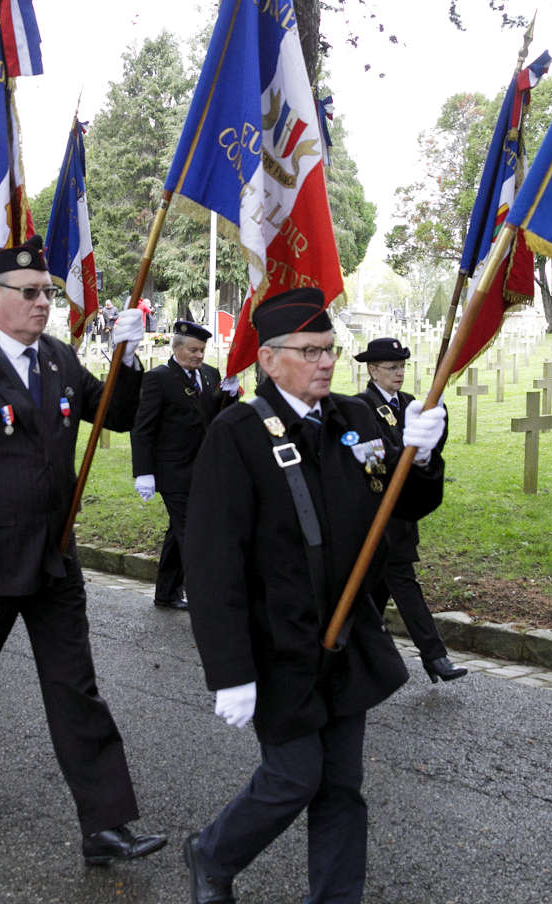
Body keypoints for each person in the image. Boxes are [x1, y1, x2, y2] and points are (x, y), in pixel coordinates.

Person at [181, 287, 448, 904]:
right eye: (309, 351)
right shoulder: (238, 435)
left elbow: (406, 504)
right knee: (293, 777)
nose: (325, 362)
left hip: (347, 634)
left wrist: (424, 455)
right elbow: (212, 563)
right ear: (269, 360)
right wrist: (229, 671)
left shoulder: (354, 420)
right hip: (278, 642)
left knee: (341, 786)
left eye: (330, 350)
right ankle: (212, 854)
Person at [0, 235, 163, 864]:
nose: (41, 304)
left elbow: (114, 415)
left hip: (55, 558)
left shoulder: (57, 358)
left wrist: (127, 358)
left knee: (75, 689)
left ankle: (104, 826)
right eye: (28, 293)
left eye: (47, 293)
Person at [353, 336, 466, 683]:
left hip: (402, 513)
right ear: (373, 370)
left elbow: (431, 449)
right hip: (376, 513)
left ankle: (354, 651)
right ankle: (435, 656)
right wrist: (404, 447)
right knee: (403, 582)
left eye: (402, 366)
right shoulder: (360, 407)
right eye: (391, 367)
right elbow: (369, 460)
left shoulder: (412, 403)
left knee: (371, 594)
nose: (399, 373)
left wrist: (434, 426)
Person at [130, 318, 232, 610]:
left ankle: (166, 592)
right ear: (176, 348)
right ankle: (207, 598)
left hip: (205, 470)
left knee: (179, 532)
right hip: (173, 472)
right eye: (193, 350)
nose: (199, 355)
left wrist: (231, 394)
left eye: (202, 350)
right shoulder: (158, 378)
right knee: (195, 532)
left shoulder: (211, 374)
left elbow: (220, 418)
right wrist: (143, 472)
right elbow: (143, 428)